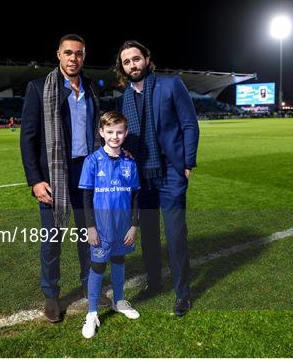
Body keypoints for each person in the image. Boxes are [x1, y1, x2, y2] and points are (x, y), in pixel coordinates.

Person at [20, 34, 107, 323]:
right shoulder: (38, 88)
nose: (73, 58)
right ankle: (51, 294)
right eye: (68, 52)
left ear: (85, 55)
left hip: (86, 171)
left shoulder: (92, 87)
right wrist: (35, 180)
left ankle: (88, 285)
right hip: (53, 174)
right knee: (52, 238)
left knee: (89, 234)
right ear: (58, 54)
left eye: (79, 53)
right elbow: (28, 138)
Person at [115, 40, 200, 316]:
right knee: (149, 235)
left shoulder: (171, 84)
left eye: (136, 59)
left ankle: (182, 294)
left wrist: (186, 165)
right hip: (142, 177)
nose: (132, 65)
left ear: (147, 59)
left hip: (170, 173)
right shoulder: (124, 97)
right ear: (123, 67)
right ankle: (154, 283)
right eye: (127, 62)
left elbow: (189, 124)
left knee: (176, 235)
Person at [78, 111, 140, 338]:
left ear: (126, 133)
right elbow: (86, 197)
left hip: (123, 226)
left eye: (119, 132)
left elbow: (135, 196)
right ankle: (92, 312)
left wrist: (134, 225)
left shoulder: (130, 162)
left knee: (119, 260)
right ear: (101, 132)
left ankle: (119, 300)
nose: (115, 136)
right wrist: (90, 227)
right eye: (110, 132)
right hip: (101, 227)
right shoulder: (92, 161)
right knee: (97, 266)